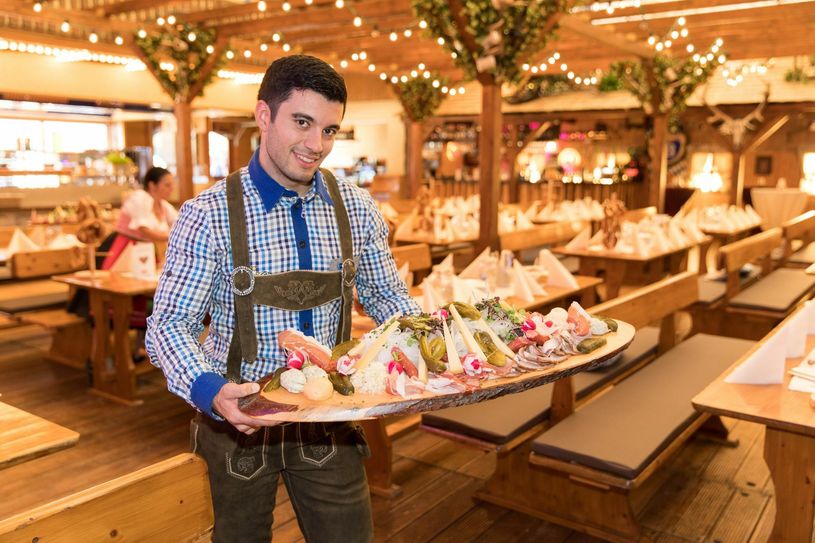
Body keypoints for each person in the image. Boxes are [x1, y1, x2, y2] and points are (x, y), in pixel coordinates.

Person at [145, 55, 420, 543]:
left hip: (330, 420)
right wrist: (209, 390)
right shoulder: (207, 214)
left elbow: (386, 296)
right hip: (236, 424)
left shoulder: (356, 207)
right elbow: (169, 324)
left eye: (331, 130)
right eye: (302, 122)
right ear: (264, 116)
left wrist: (438, 341)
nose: (317, 146)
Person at [100, 166, 178, 269]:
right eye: (167, 185)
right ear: (152, 185)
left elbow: (179, 224)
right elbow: (144, 229)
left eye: (172, 185)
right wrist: (172, 237)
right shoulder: (139, 198)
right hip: (128, 250)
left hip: (150, 250)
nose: (172, 188)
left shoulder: (164, 206)